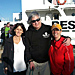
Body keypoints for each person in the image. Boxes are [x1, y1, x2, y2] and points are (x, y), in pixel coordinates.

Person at [26, 11, 71, 75]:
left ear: (40, 19)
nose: (36, 22)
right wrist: (30, 61)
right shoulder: (28, 33)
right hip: (34, 63)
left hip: (46, 63)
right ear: (31, 22)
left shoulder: (48, 29)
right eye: (33, 21)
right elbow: (27, 48)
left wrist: (68, 38)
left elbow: (57, 35)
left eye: (38, 20)